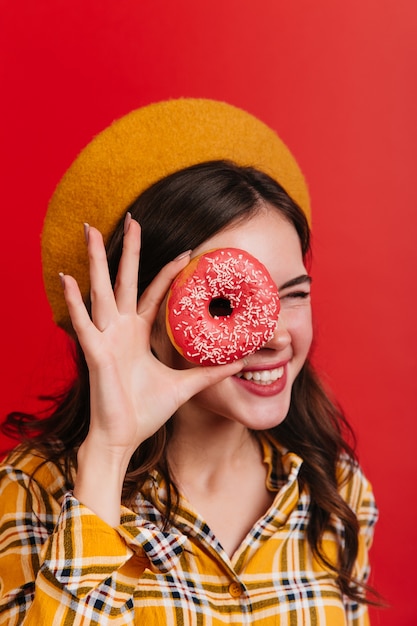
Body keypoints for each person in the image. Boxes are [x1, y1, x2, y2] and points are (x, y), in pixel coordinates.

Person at [0, 98, 378, 625]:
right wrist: (108, 456)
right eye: (225, 304)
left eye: (292, 295)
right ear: (139, 319)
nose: (274, 337)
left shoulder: (335, 490)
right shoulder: (33, 491)